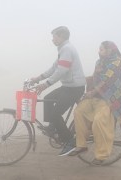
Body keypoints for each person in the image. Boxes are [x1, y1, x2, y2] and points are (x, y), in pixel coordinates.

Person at [64, 41, 121, 165]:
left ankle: (101, 155)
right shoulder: (99, 62)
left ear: (110, 50)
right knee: (79, 112)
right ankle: (81, 145)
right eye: (99, 49)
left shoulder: (117, 64)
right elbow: (94, 78)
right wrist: (78, 80)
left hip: (109, 100)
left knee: (98, 121)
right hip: (94, 98)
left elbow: (106, 81)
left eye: (102, 49)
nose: (99, 51)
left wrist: (92, 92)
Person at [29, 26, 86, 156]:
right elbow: (54, 67)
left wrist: (46, 84)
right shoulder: (63, 49)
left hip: (74, 88)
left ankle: (70, 142)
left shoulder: (67, 49)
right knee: (48, 98)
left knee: (55, 114)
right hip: (68, 86)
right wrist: (38, 78)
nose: (52, 39)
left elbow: (61, 71)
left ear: (61, 37)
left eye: (54, 36)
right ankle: (53, 127)